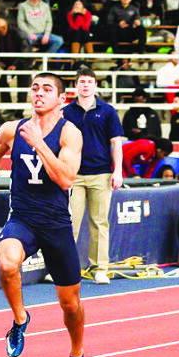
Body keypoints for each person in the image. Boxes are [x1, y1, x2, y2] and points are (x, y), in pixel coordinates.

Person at [0, 72, 88, 357]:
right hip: (23, 218)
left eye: (47, 89)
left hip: (56, 225)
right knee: (6, 261)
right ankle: (20, 318)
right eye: (35, 88)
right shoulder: (12, 129)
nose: (39, 93)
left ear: (61, 99)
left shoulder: (70, 134)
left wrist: (39, 145)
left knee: (70, 303)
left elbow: (65, 179)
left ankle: (77, 354)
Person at [62, 67, 125, 286]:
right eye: (82, 81)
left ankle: (100, 269)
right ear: (76, 85)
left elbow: (116, 142)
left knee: (99, 223)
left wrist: (118, 171)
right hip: (74, 175)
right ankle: (65, 269)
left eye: (90, 81)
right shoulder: (66, 112)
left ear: (95, 85)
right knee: (70, 223)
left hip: (101, 174)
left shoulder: (107, 111)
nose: (86, 85)